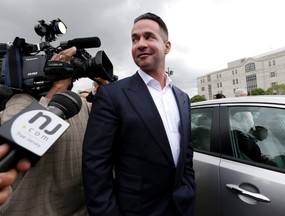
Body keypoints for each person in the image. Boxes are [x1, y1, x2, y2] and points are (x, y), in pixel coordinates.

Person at [82, 12, 196, 216]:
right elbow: (96, 166)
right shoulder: (112, 95)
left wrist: (188, 189)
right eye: (135, 39)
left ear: (167, 46)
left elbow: (186, 155)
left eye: (149, 37)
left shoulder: (183, 97)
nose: (140, 44)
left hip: (181, 207)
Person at [0, 47, 90, 215]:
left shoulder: (78, 104)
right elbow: (24, 145)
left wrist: (103, 80)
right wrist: (58, 86)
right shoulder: (19, 103)